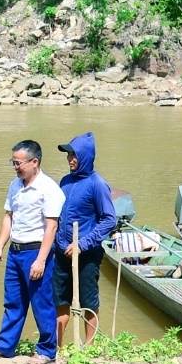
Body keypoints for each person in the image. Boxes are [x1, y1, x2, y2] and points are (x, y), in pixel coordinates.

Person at [0, 141, 65, 364]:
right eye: (13, 162)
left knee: (41, 303)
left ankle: (46, 351)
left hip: (36, 252)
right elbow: (9, 217)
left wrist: (41, 260)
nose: (15, 167)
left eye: (19, 163)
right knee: (13, 302)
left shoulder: (49, 189)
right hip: (16, 252)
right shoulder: (15, 185)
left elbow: (51, 227)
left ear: (34, 162)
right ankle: (5, 345)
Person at [54, 132, 117, 346]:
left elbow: (109, 220)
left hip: (86, 254)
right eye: (68, 155)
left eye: (75, 155)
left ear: (86, 156)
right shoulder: (64, 181)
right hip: (62, 252)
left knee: (88, 301)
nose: (70, 159)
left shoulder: (97, 184)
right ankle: (57, 346)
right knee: (60, 300)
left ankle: (89, 347)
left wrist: (82, 244)